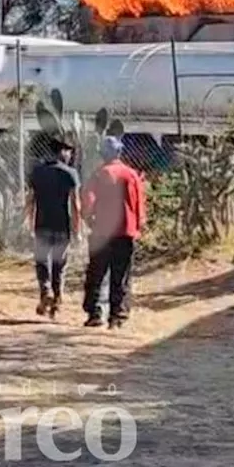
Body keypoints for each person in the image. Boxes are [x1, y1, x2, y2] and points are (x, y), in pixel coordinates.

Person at [82, 136, 146, 329]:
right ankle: (117, 316)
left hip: (102, 231)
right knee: (121, 275)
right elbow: (139, 205)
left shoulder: (99, 174)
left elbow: (88, 202)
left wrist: (89, 219)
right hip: (125, 232)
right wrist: (138, 225)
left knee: (97, 273)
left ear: (103, 153)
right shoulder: (131, 175)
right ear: (119, 152)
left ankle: (95, 313)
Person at [25, 136, 80, 320]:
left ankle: (45, 291)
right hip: (61, 225)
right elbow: (75, 204)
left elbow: (30, 200)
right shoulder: (70, 174)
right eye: (69, 151)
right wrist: (77, 229)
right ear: (62, 152)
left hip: (42, 224)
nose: (70, 155)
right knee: (59, 264)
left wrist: (29, 223)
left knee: (42, 261)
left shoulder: (37, 172)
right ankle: (57, 299)